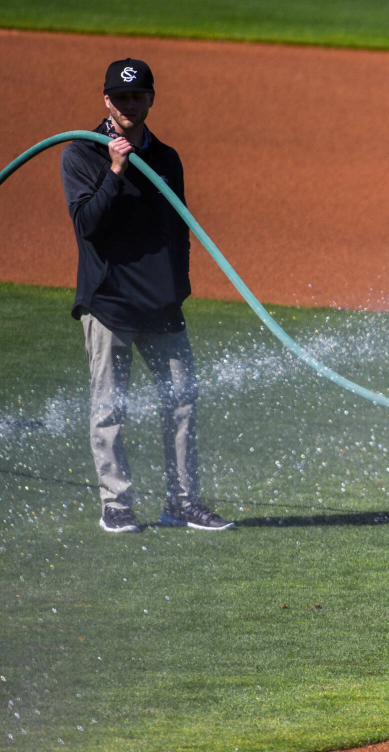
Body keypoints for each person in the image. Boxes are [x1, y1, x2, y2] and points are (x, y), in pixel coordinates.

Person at [60, 58, 233, 533]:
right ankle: (115, 504)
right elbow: (87, 225)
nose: (129, 104)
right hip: (109, 303)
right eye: (120, 97)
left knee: (182, 402)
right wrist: (115, 171)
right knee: (110, 408)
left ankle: (181, 502)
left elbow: (177, 229)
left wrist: (179, 287)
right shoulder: (81, 154)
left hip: (161, 305)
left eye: (137, 96)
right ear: (106, 100)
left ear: (151, 98)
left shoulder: (167, 158)